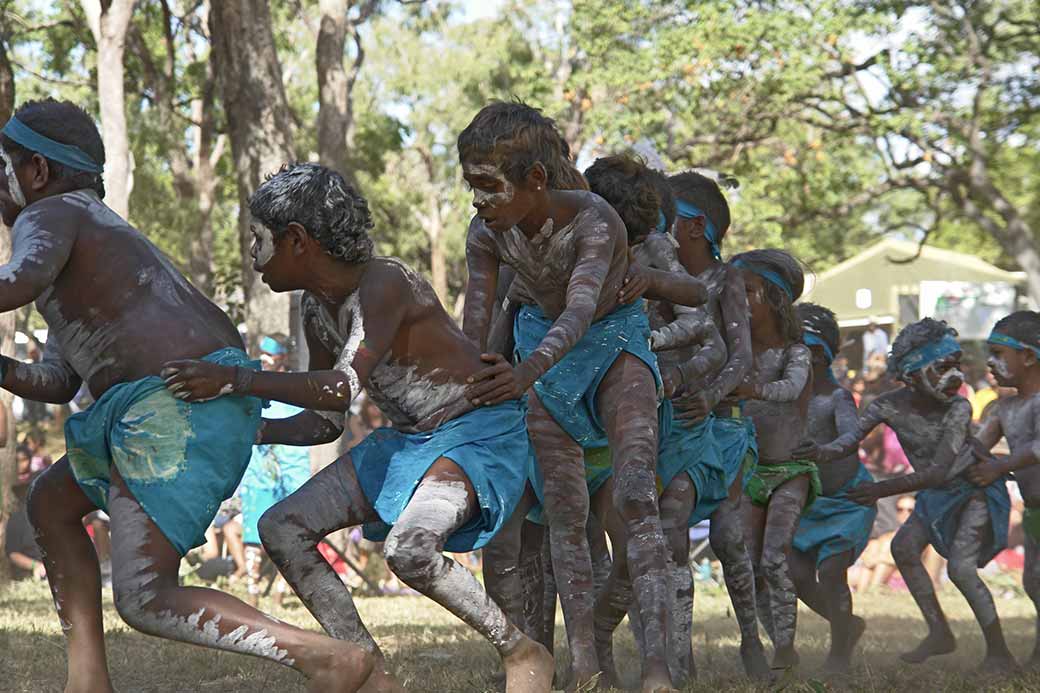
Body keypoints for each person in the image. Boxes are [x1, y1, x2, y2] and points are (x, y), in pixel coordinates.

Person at [0, 99, 372, 693]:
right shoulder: (87, 246)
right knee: (50, 501)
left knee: (146, 595)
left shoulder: (52, 214)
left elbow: (13, 283)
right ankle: (86, 679)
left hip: (178, 401)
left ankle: (319, 655)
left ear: (36, 173)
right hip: (185, 404)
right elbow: (60, 380)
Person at [165, 162, 553, 693]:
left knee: (410, 551)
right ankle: (369, 668)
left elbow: (343, 386)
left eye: (258, 240)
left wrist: (235, 381)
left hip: (475, 432)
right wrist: (248, 431)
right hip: (409, 441)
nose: (252, 257)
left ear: (297, 240)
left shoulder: (384, 281)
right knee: (281, 527)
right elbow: (325, 423)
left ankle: (521, 650)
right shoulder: (314, 308)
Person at [457, 102, 676, 691]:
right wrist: (454, 384)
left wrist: (524, 372)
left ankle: (657, 668)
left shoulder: (595, 220)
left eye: (486, 186)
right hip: (542, 360)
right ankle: (587, 671)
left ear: (535, 180)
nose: (477, 200)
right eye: (469, 185)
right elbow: (474, 320)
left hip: (612, 344)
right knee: (564, 516)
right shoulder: (485, 233)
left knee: (636, 496)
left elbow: (581, 308)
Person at [798, 318, 1015, 671]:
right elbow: (850, 440)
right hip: (934, 494)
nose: (955, 376)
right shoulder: (887, 405)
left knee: (960, 569)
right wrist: (821, 452)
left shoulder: (959, 408)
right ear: (912, 374)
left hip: (972, 488)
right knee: (903, 548)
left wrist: (879, 489)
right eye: (943, 367)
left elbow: (940, 471)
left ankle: (998, 651)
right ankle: (939, 631)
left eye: (956, 366)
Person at [581, 155, 725, 686]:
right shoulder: (568, 243)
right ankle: (595, 654)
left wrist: (652, 355)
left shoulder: (655, 249)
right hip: (573, 411)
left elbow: (704, 327)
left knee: (643, 538)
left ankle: (653, 661)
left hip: (645, 414)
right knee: (587, 539)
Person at [728, 249, 815, 671]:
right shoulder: (734, 352)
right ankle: (771, 637)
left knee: (773, 557)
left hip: (790, 472)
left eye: (747, 292)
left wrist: (751, 391)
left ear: (775, 299)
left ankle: (786, 644)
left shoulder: (795, 353)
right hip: (750, 471)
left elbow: (792, 389)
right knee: (748, 560)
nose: (737, 301)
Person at [788, 303, 876, 673]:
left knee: (832, 572)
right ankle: (847, 626)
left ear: (821, 354)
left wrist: (822, 452)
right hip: (810, 502)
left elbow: (851, 438)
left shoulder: (837, 398)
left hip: (847, 501)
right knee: (795, 575)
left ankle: (838, 655)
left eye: (804, 350)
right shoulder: (786, 395)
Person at [966, 311, 1040, 668]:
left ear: (1028, 357)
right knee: (1035, 582)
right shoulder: (1003, 408)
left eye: (998, 353)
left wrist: (999, 465)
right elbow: (976, 447)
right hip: (1034, 509)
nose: (990, 363)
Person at [237, 334, 312, 606]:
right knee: (252, 538)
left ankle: (280, 594)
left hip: (290, 475)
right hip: (257, 474)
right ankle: (253, 594)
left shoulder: (294, 389)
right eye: (263, 353)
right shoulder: (253, 385)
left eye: (272, 354)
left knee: (286, 536)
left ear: (283, 357)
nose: (266, 359)